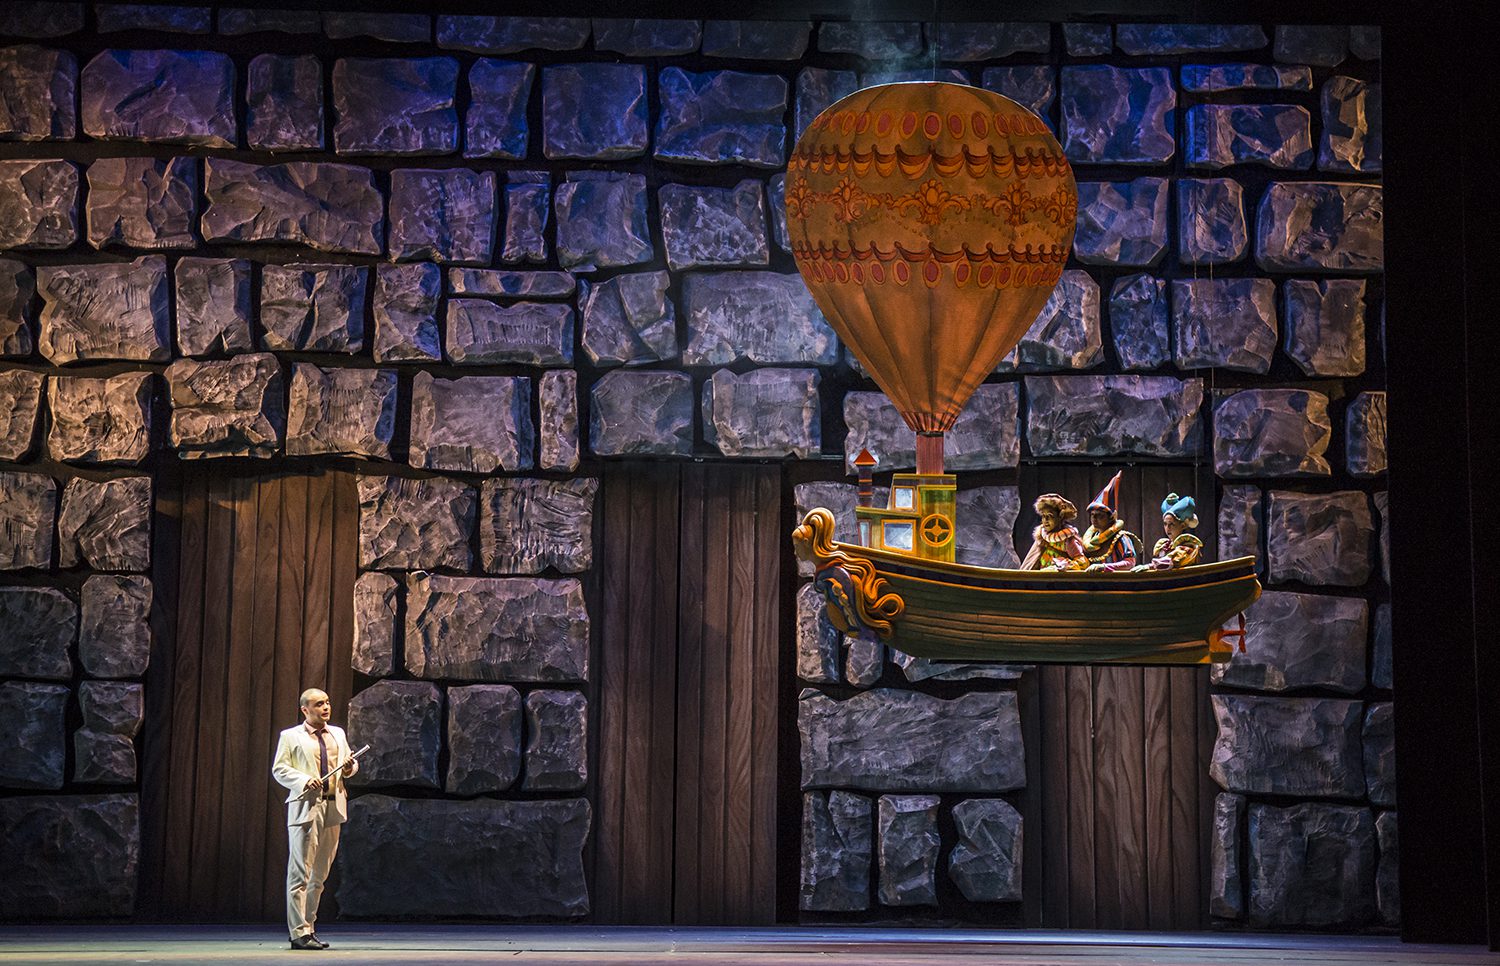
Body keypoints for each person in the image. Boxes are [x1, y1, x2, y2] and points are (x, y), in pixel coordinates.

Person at [272, 688, 358, 951]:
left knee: (319, 875)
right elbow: (279, 769)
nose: (326, 707)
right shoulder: (290, 736)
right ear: (305, 710)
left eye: (327, 702)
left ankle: (308, 928)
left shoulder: (338, 733)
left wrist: (349, 768)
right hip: (307, 808)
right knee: (300, 873)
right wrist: (303, 780)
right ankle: (298, 932)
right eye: (319, 704)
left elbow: (349, 764)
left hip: (333, 806)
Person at [1080, 471, 1141, 572]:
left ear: (1111, 517)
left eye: (1100, 515)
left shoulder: (1121, 538)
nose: (1094, 518)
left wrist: (1105, 567)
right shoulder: (1091, 539)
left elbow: (1130, 562)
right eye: (1092, 515)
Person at [1134, 493, 1204, 571]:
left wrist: (1149, 566)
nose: (1168, 528)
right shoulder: (1163, 545)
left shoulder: (1189, 546)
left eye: (1171, 524)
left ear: (1183, 525)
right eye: (1165, 524)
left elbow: (1171, 561)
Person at [1021, 493, 1088, 571]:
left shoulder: (1068, 541)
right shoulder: (1042, 538)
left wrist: (1064, 565)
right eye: (1043, 516)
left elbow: (1082, 562)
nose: (1045, 520)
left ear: (1060, 516)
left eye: (1050, 516)